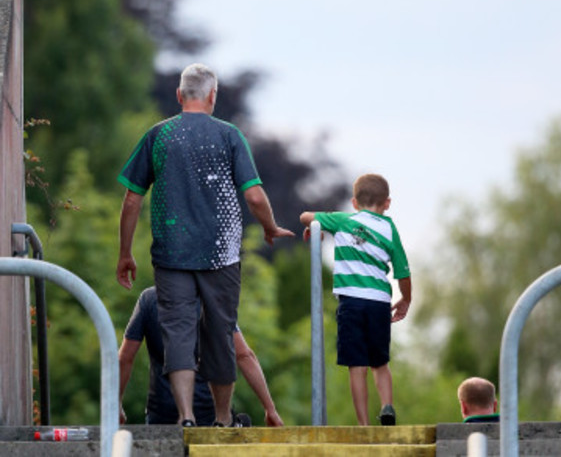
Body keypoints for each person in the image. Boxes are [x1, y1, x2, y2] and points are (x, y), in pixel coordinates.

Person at [116, 63, 294, 428]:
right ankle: (223, 418)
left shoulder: (158, 136)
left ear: (180, 95)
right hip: (222, 255)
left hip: (171, 254)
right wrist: (270, 227)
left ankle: (184, 417)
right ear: (213, 96)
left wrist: (125, 252)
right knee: (220, 334)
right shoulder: (229, 136)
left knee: (177, 332)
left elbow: (131, 200)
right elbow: (256, 197)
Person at [299, 173, 411, 427]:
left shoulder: (343, 220)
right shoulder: (390, 229)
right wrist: (406, 299)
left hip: (351, 302)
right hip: (379, 302)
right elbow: (403, 272)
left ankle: (363, 425)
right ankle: (387, 406)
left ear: (354, 202)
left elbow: (305, 215)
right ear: (387, 203)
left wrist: (313, 226)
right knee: (380, 362)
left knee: (356, 365)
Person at [118, 286, 284, 427]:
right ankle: (226, 422)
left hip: (161, 412)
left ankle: (188, 419)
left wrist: (116, 403)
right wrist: (270, 408)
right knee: (236, 425)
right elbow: (244, 356)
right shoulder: (213, 302)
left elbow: (125, 358)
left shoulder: (149, 299)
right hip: (207, 413)